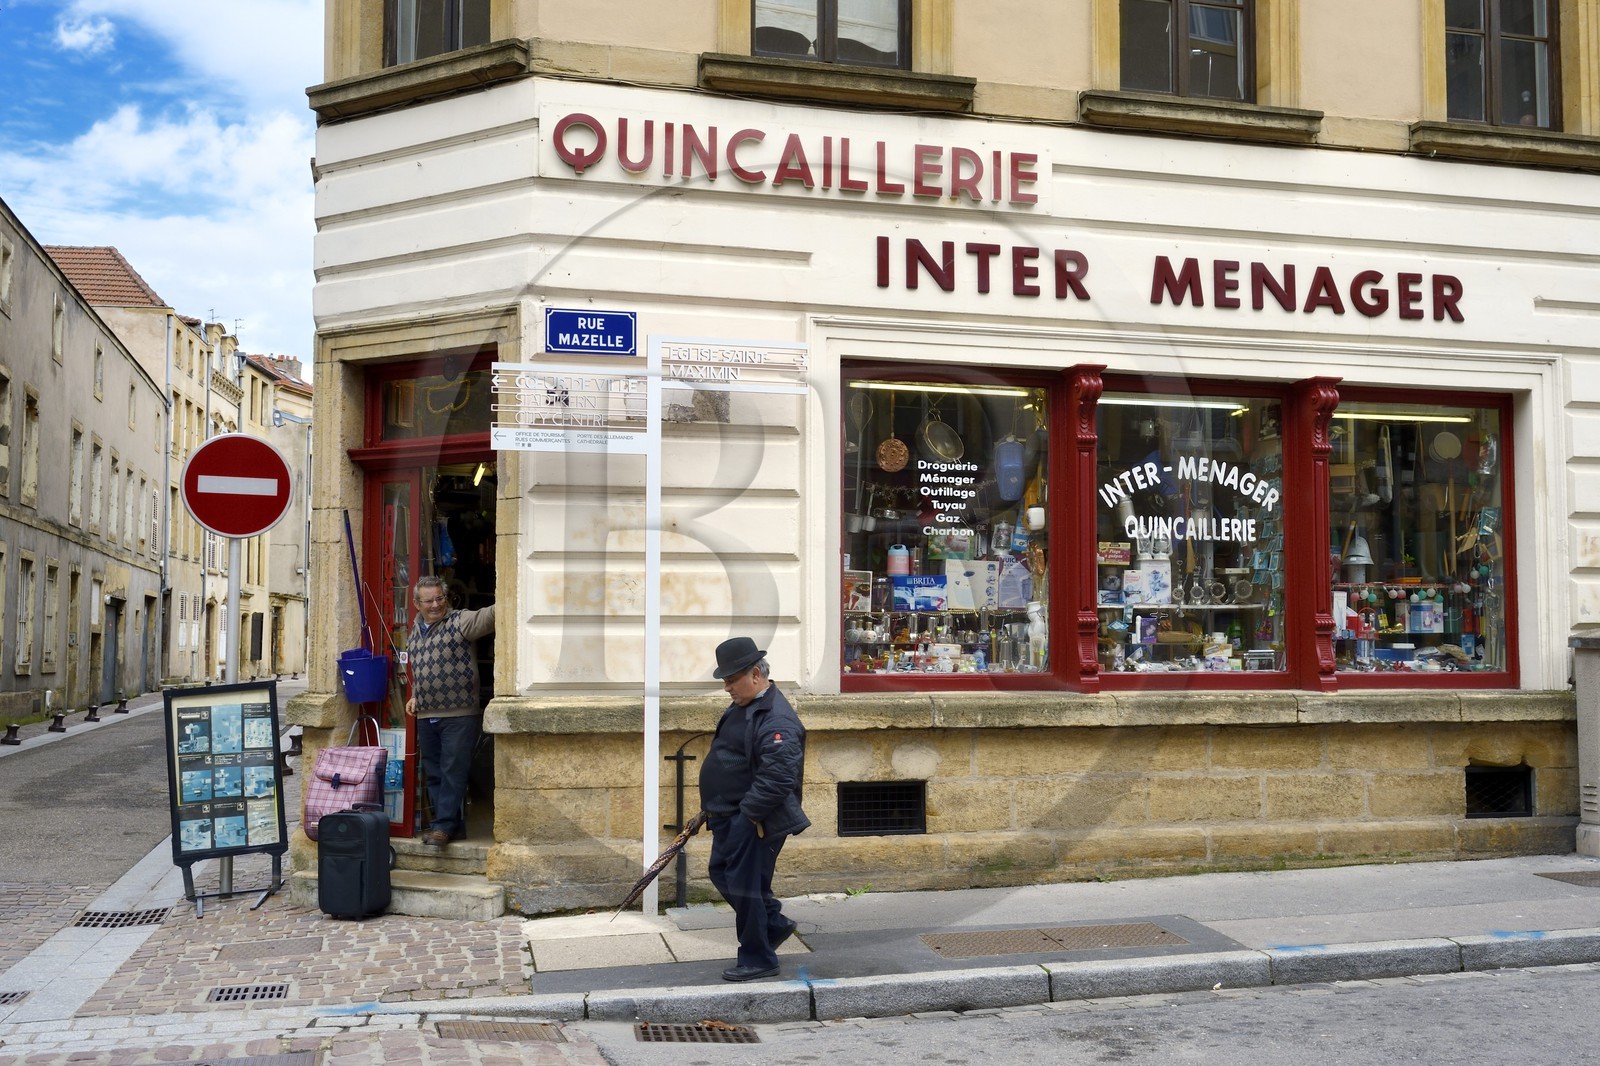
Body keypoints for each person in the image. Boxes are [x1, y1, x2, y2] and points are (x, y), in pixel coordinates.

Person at [698, 637, 810, 981]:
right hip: (729, 814)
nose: (727, 687)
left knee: (745, 886)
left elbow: (778, 778)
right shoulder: (745, 705)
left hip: (755, 819)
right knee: (723, 873)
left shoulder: (777, 720)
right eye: (725, 681)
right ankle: (772, 923)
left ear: (757, 675)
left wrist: (748, 816)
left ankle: (759, 958)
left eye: (732, 680)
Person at [404, 574, 494, 846]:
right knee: (434, 772)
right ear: (417, 603)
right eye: (429, 600)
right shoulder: (415, 631)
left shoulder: (460, 621)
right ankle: (455, 827)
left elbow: (490, 615)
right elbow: (419, 669)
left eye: (440, 598)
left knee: (453, 771)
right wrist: (415, 695)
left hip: (459, 714)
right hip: (426, 714)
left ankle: (442, 827)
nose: (435, 605)